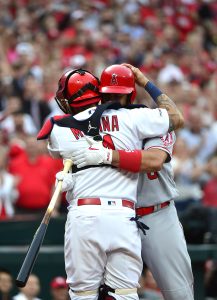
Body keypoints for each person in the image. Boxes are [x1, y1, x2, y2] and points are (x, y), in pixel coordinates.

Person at [37, 66, 184, 300]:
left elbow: (154, 159)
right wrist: (145, 82)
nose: (115, 98)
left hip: (92, 215)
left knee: (84, 294)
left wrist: (97, 161)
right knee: (124, 294)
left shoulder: (58, 129)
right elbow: (175, 117)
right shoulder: (136, 116)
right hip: (123, 216)